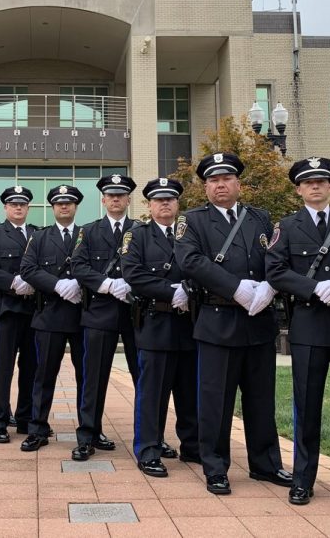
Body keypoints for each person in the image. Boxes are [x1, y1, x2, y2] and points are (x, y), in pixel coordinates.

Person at [175, 152, 291, 495]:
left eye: (226, 179)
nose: (220, 185)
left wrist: (270, 286)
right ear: (205, 187)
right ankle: (215, 467)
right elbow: (190, 261)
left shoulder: (260, 218)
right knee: (216, 401)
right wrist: (235, 287)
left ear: (238, 183)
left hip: (257, 322)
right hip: (217, 320)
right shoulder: (192, 220)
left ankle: (266, 464)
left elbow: (276, 257)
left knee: (260, 399)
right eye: (213, 180)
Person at [265, 157, 330, 505]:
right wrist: (313, 288)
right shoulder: (287, 227)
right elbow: (274, 271)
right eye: (309, 182)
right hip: (308, 326)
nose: (316, 186)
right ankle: (303, 480)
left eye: (322, 180)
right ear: (299, 189)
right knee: (307, 407)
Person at [120, 177, 199, 478]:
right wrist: (171, 291)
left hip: (190, 323)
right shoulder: (137, 235)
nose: (164, 203)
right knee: (152, 393)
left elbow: (202, 267)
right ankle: (149, 449)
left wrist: (189, 291)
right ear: (149, 205)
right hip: (155, 323)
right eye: (158, 200)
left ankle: (192, 446)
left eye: (170, 199)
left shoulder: (191, 233)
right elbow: (133, 274)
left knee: (190, 391)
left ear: (178, 204)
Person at [69, 174, 141, 461]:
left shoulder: (140, 230)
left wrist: (132, 286)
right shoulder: (89, 231)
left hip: (136, 313)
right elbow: (78, 266)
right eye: (110, 195)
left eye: (121, 195)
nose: (115, 199)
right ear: (103, 199)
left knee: (144, 378)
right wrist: (108, 284)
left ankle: (149, 437)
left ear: (127, 199)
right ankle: (88, 435)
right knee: (93, 378)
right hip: (99, 312)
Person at [18, 184, 86, 451]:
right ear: (53, 208)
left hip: (83, 315)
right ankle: (38, 428)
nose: (64, 206)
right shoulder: (40, 237)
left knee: (87, 378)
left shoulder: (87, 234)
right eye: (59, 203)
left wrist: (78, 284)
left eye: (69, 202)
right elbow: (27, 268)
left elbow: (96, 267)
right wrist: (57, 285)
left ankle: (90, 429)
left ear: (75, 206)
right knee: (43, 375)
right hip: (49, 315)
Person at [0, 185, 38, 443]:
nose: (18, 207)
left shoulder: (37, 233)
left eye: (22, 203)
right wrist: (12, 281)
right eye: (13, 204)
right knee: (3, 368)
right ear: (6, 208)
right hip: (7, 309)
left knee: (31, 368)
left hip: (34, 311)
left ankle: (25, 419)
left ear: (28, 207)